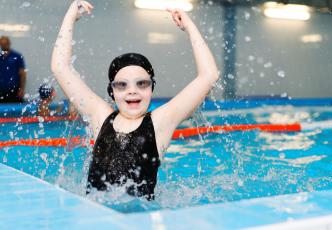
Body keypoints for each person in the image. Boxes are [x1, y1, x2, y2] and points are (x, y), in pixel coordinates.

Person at [51, 1, 219, 200]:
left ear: (151, 88)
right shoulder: (101, 116)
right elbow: (60, 68)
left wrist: (190, 27)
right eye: (122, 85)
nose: (132, 91)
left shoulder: (159, 123)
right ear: (112, 91)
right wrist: (70, 17)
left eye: (142, 84)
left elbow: (209, 76)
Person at [0, 36, 27, 103]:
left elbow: (22, 74)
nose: (4, 46)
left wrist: (22, 89)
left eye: (5, 44)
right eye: (2, 44)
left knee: (16, 110)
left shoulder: (17, 56)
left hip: (15, 90)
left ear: (9, 43)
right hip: (1, 90)